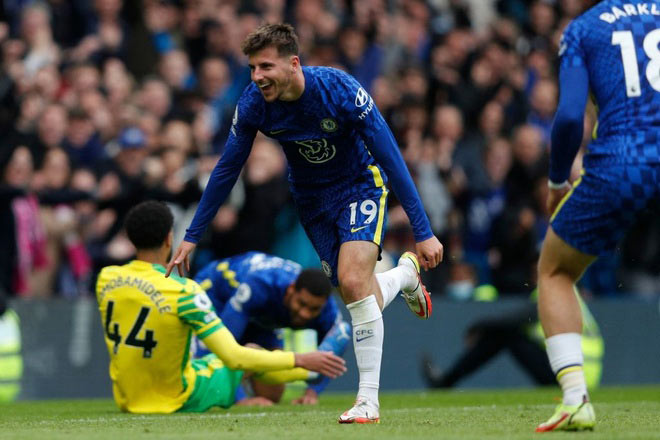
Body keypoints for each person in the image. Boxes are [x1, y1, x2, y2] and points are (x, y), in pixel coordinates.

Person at [165, 23, 444, 423]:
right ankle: (404, 277)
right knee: (358, 293)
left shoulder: (340, 90)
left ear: (293, 64)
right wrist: (193, 235)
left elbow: (391, 156)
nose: (257, 76)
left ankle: (367, 401)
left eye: (265, 66)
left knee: (352, 282)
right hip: (311, 202)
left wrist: (423, 230)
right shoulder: (254, 104)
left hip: (359, 188)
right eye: (252, 68)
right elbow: (227, 169)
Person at [536, 0, 660, 432]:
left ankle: (575, 400)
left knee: (555, 271)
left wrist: (556, 181)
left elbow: (571, 116)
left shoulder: (584, 29)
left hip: (622, 164)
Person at [95, 200, 346, 414]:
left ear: (128, 237)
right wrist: (301, 360)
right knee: (248, 352)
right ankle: (290, 372)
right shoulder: (185, 291)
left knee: (271, 391)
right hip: (180, 396)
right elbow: (233, 357)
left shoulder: (106, 279)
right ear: (169, 237)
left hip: (127, 399)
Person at [194, 251, 351, 405]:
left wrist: (312, 392)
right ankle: (236, 390)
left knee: (272, 395)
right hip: (215, 294)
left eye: (314, 309)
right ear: (291, 289)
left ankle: (245, 379)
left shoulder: (326, 309)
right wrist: (241, 400)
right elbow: (225, 348)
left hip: (262, 317)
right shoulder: (260, 285)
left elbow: (340, 337)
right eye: (302, 304)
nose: (305, 314)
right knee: (206, 370)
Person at [422, 287, 603, 390]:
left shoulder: (553, 289)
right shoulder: (571, 292)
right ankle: (446, 382)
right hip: (582, 374)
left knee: (507, 334)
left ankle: (446, 382)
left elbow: (521, 318)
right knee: (508, 333)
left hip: (570, 374)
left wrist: (481, 325)